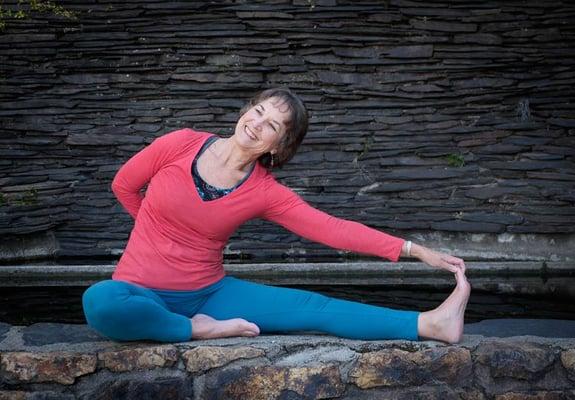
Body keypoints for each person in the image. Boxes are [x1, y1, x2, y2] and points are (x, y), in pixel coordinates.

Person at [82, 87, 470, 344]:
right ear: (246, 110)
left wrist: (415, 250)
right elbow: (123, 185)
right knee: (100, 301)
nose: (256, 123)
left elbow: (332, 230)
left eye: (272, 125)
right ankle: (195, 331)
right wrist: (154, 233)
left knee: (314, 307)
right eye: (258, 110)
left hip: (209, 294)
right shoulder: (179, 143)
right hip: (138, 289)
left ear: (279, 145)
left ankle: (429, 323)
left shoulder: (264, 191)